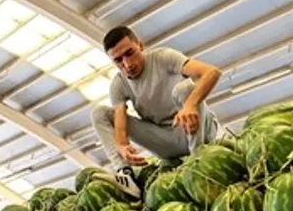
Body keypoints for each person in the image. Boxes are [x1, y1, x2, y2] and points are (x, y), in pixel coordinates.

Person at [90, 26, 221, 197]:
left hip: (200, 132)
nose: (127, 64)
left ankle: (199, 161)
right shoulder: (119, 84)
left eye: (129, 53)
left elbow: (212, 72)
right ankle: (126, 176)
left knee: (185, 89)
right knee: (99, 112)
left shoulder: (163, 57)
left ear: (140, 45)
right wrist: (122, 147)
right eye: (118, 60)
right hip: (166, 142)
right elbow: (120, 129)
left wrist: (190, 105)